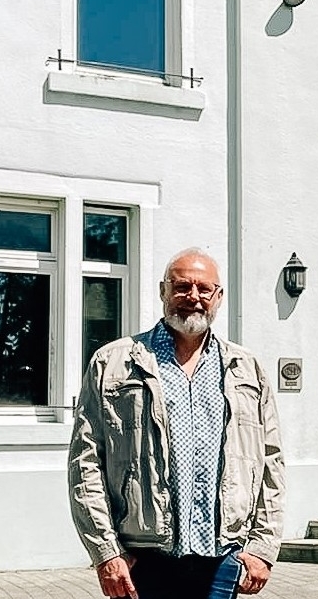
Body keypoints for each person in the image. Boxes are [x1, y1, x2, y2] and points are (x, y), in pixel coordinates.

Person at [68, 248, 285, 599]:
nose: (193, 298)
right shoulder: (113, 363)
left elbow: (270, 462)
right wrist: (106, 553)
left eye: (204, 289)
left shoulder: (246, 368)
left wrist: (263, 547)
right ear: (163, 291)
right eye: (182, 287)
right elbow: (85, 464)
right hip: (141, 557)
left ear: (218, 297)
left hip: (224, 556)